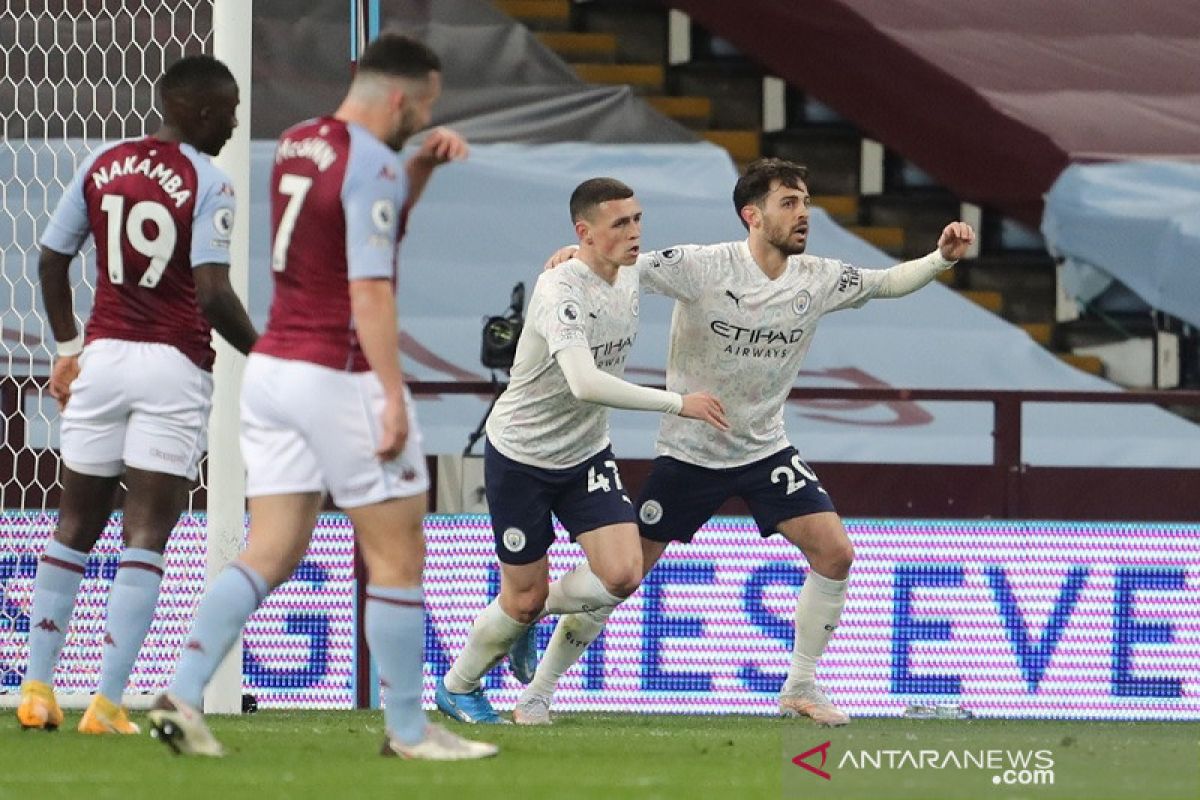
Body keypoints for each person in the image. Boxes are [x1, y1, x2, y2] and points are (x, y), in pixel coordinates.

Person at [521, 157, 976, 726]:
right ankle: (537, 686)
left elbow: (885, 283)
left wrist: (940, 260)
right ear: (752, 216)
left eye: (806, 201)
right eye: (790, 203)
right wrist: (574, 260)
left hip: (764, 450)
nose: (804, 213)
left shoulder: (819, 278)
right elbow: (623, 263)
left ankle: (800, 688)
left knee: (835, 552)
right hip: (690, 452)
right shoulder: (702, 266)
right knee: (619, 582)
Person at [145, 33, 494, 760]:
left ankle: (181, 693)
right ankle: (406, 733)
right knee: (398, 555)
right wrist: (394, 396)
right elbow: (369, 286)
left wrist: (416, 168)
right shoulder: (372, 162)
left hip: (272, 369)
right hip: (338, 374)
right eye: (424, 107)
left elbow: (354, 236)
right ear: (401, 98)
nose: (425, 119)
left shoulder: (301, 142)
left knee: (270, 548)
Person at [18, 55, 258, 736]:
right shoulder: (211, 180)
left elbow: (51, 257)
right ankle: (106, 703)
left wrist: (68, 350)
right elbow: (212, 293)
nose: (237, 121)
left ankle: (36, 690)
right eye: (232, 109)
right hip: (171, 366)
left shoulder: (104, 161)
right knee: (145, 533)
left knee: (73, 526)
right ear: (204, 112)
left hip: (102, 357)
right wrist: (268, 357)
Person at [434, 178, 728, 725]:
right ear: (584, 233)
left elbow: (713, 261)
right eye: (621, 224)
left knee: (622, 574)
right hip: (521, 455)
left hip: (586, 454)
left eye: (639, 219)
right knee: (517, 598)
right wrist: (677, 403)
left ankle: (531, 614)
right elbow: (584, 383)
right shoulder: (559, 290)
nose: (636, 232)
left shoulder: (636, 269)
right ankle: (459, 686)